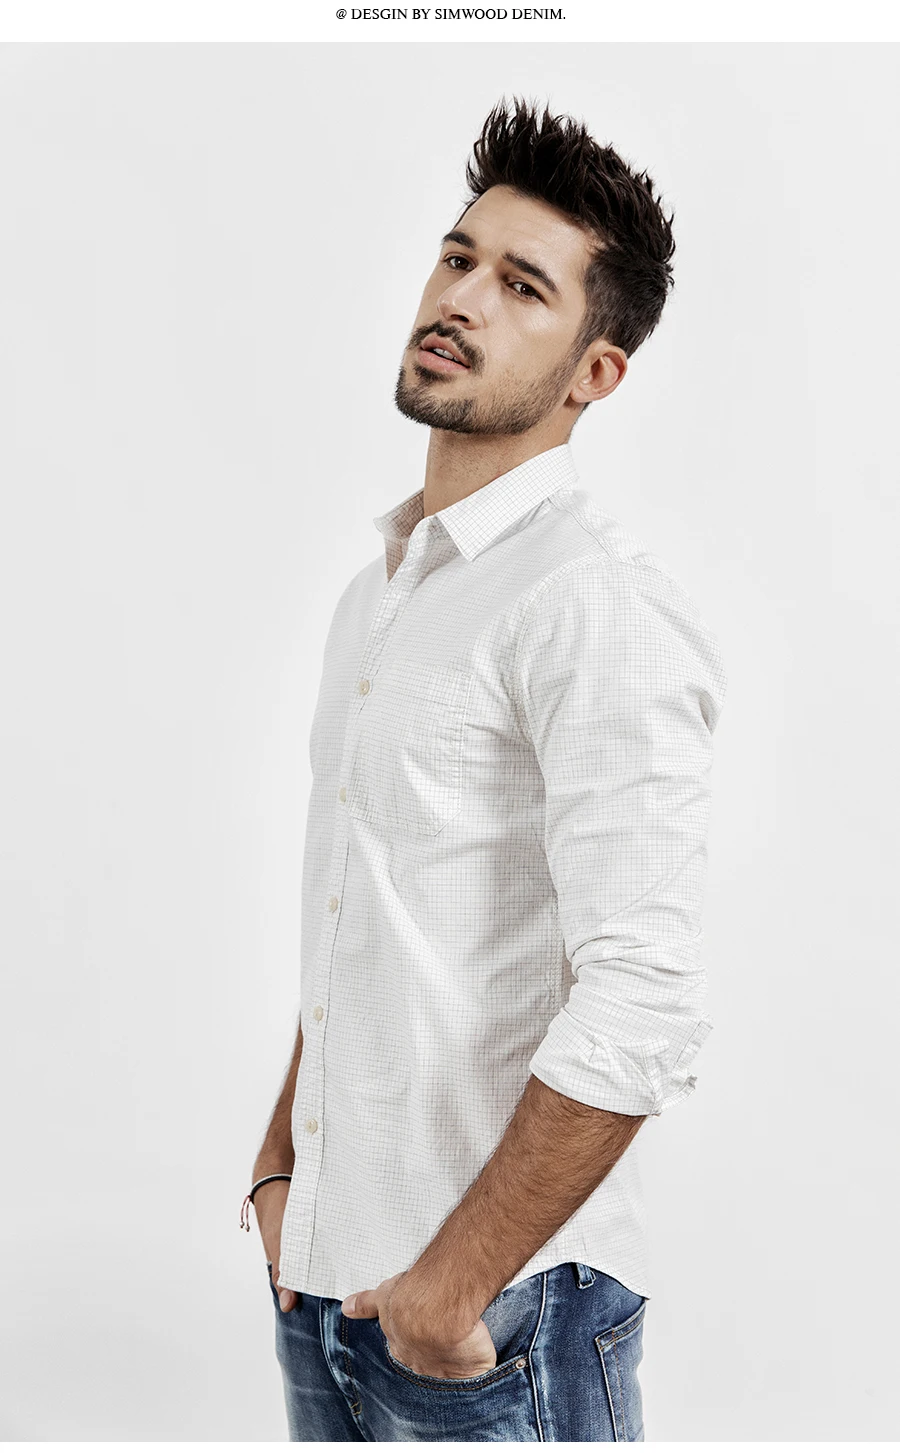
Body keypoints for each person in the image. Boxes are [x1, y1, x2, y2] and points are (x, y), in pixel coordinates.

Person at [243, 96, 727, 1442]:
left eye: (523, 287)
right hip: (327, 1286)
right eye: (458, 258)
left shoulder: (593, 604)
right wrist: (281, 1164)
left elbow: (646, 995)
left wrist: (452, 1289)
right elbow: (361, 914)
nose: (460, 298)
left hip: (495, 1324)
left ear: (594, 372)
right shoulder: (383, 590)